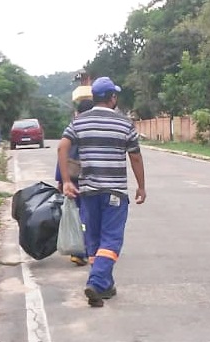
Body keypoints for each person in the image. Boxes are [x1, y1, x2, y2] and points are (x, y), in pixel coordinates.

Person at [58, 76, 147, 308]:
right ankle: (96, 282)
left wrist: (67, 180)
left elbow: (62, 146)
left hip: (88, 193)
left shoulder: (80, 122)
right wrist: (141, 185)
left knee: (95, 240)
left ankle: (105, 285)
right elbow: (135, 156)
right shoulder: (124, 123)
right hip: (115, 191)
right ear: (113, 98)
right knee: (112, 239)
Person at [55, 99, 95, 266]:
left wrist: (61, 180)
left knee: (76, 214)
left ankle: (77, 249)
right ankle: (84, 250)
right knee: (87, 216)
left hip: (71, 179)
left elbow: (62, 155)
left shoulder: (72, 128)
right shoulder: (91, 129)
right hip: (89, 179)